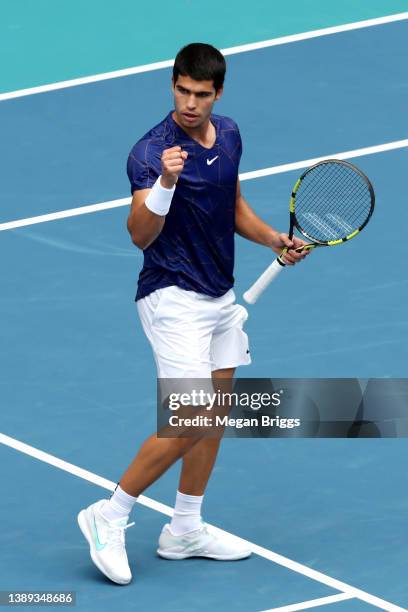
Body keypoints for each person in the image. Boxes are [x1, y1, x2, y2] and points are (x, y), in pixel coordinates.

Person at [77, 42, 308, 585]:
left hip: (218, 297)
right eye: (182, 91)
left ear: (217, 93)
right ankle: (107, 516)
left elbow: (231, 207)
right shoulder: (151, 152)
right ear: (172, 85)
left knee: (215, 414)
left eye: (201, 94)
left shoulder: (228, 135)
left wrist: (273, 237)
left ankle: (184, 528)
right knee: (188, 417)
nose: (190, 103)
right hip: (171, 295)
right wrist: (164, 183)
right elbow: (139, 235)